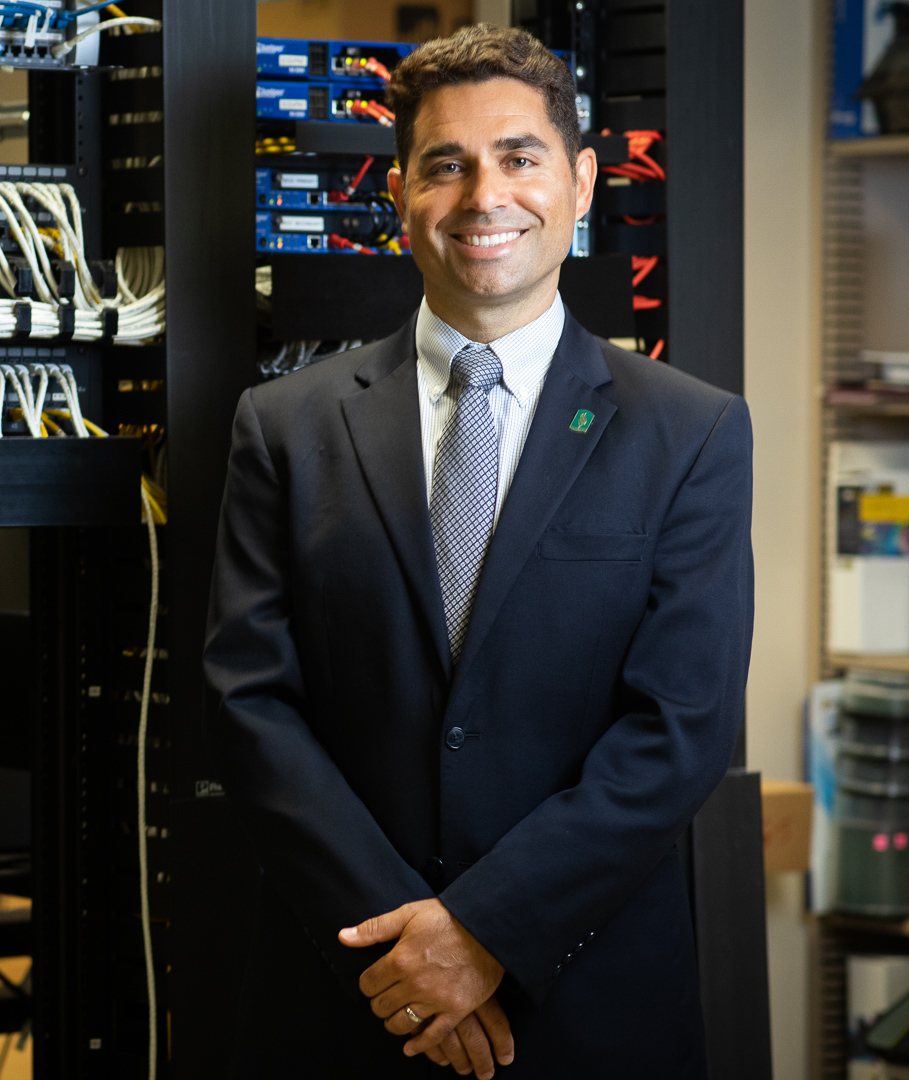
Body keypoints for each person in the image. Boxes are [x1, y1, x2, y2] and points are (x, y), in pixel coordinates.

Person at [204, 24, 752, 1080]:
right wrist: (411, 953)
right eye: (445, 165)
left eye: (519, 157)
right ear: (398, 193)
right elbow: (247, 702)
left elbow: (680, 728)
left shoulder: (690, 433)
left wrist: (488, 932)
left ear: (583, 183)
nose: (481, 195)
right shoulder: (285, 425)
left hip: (586, 1004)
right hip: (347, 991)